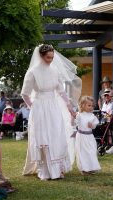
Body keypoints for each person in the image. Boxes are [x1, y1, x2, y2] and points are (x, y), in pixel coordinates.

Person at [21, 44, 81, 180]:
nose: (50, 60)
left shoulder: (55, 70)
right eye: (48, 57)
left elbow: (61, 91)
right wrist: (32, 107)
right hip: (39, 106)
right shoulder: (32, 72)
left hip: (53, 106)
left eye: (52, 57)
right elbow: (25, 93)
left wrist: (69, 107)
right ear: (41, 56)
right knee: (43, 137)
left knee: (56, 135)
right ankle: (45, 170)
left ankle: (58, 169)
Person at [75, 96, 101, 175]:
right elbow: (76, 123)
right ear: (82, 105)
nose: (91, 107)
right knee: (83, 153)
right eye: (89, 105)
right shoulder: (79, 115)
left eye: (92, 106)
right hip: (81, 136)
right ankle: (84, 169)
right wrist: (74, 117)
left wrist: (92, 125)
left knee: (91, 151)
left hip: (89, 136)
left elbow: (95, 125)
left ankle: (91, 167)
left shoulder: (92, 116)